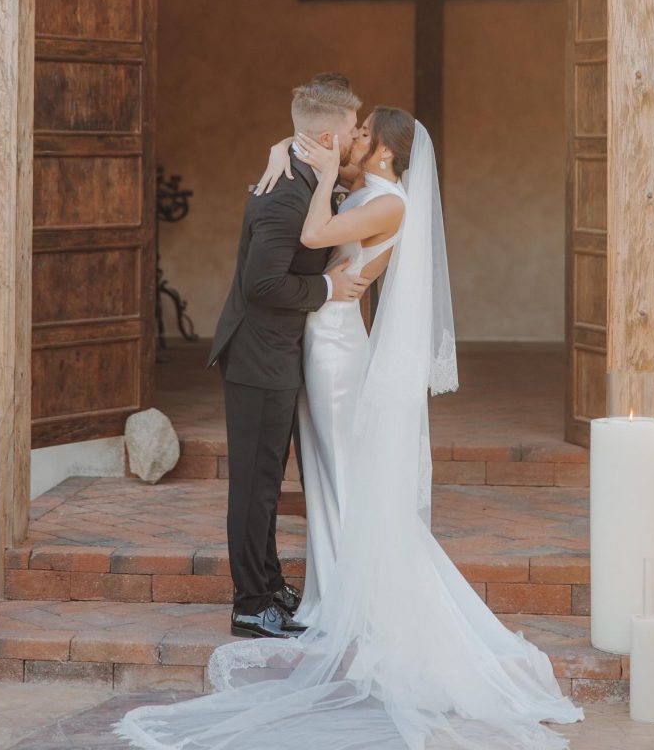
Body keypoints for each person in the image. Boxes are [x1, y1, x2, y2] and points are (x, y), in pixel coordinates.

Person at [117, 107, 584, 750]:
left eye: (363, 134)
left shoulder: (386, 202)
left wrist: (323, 170)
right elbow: (311, 169)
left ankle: (345, 599)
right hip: (318, 339)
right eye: (352, 129)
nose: (354, 138)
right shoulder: (366, 188)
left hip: (336, 350)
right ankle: (333, 588)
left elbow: (313, 238)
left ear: (387, 155)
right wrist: (288, 149)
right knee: (326, 471)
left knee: (340, 470)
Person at [205, 81, 370, 640]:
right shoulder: (287, 193)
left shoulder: (302, 174)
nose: (354, 139)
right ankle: (251, 602)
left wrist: (286, 145)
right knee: (255, 485)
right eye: (351, 130)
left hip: (276, 353)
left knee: (268, 481)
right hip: (258, 356)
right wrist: (328, 286)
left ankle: (271, 584)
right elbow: (263, 283)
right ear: (327, 135)